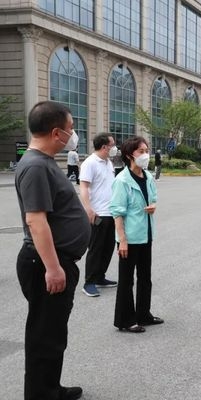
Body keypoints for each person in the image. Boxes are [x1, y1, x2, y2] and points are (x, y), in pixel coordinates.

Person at [15, 101, 90, 400]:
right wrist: (53, 267)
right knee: (44, 336)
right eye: (71, 129)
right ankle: (41, 395)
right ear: (57, 132)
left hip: (54, 260)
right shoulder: (35, 166)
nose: (74, 134)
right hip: (46, 262)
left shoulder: (43, 162)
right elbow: (35, 220)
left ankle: (50, 389)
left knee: (53, 333)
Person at [110, 136, 162, 333]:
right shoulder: (122, 181)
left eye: (146, 151)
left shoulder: (147, 176)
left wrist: (153, 206)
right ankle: (125, 320)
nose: (145, 155)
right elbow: (117, 212)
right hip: (129, 239)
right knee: (126, 280)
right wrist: (122, 240)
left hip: (145, 235)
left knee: (145, 277)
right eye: (141, 151)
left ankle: (143, 314)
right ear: (129, 154)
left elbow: (153, 198)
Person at [80, 133, 118, 297]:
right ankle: (89, 282)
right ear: (104, 147)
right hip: (98, 213)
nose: (114, 147)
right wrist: (88, 209)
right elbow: (83, 187)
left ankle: (100, 277)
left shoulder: (108, 162)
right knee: (96, 249)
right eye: (112, 145)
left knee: (108, 248)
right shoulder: (90, 163)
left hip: (111, 212)